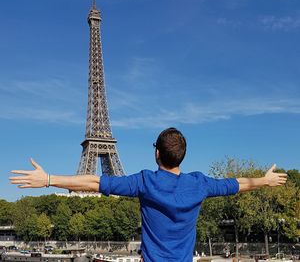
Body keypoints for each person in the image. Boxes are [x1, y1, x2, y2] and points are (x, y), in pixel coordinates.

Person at [10, 127, 287, 262]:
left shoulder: (145, 182)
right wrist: (264, 180)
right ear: (182, 156)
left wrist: (48, 179)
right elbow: (235, 184)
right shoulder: (199, 184)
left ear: (157, 153)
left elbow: (94, 182)